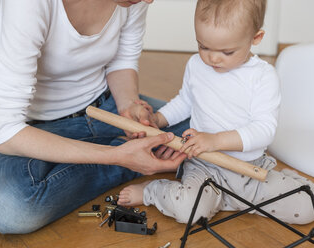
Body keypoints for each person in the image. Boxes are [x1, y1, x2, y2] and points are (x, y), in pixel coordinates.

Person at [0, 0, 190, 234]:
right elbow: (1, 129)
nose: (150, 0)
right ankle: (131, 159)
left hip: (106, 108)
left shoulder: (134, 0)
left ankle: (133, 155)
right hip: (41, 129)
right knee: (7, 208)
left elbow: (122, 60)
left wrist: (128, 106)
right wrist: (115, 156)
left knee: (205, 128)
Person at [118, 0, 314, 225]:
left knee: (307, 207)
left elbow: (264, 130)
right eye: (203, 46)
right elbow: (185, 101)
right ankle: (152, 191)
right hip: (204, 167)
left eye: (227, 51)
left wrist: (215, 140)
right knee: (190, 212)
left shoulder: (263, 76)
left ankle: (228, 198)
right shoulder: (196, 65)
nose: (212, 58)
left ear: (255, 38)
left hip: (250, 170)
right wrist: (157, 119)